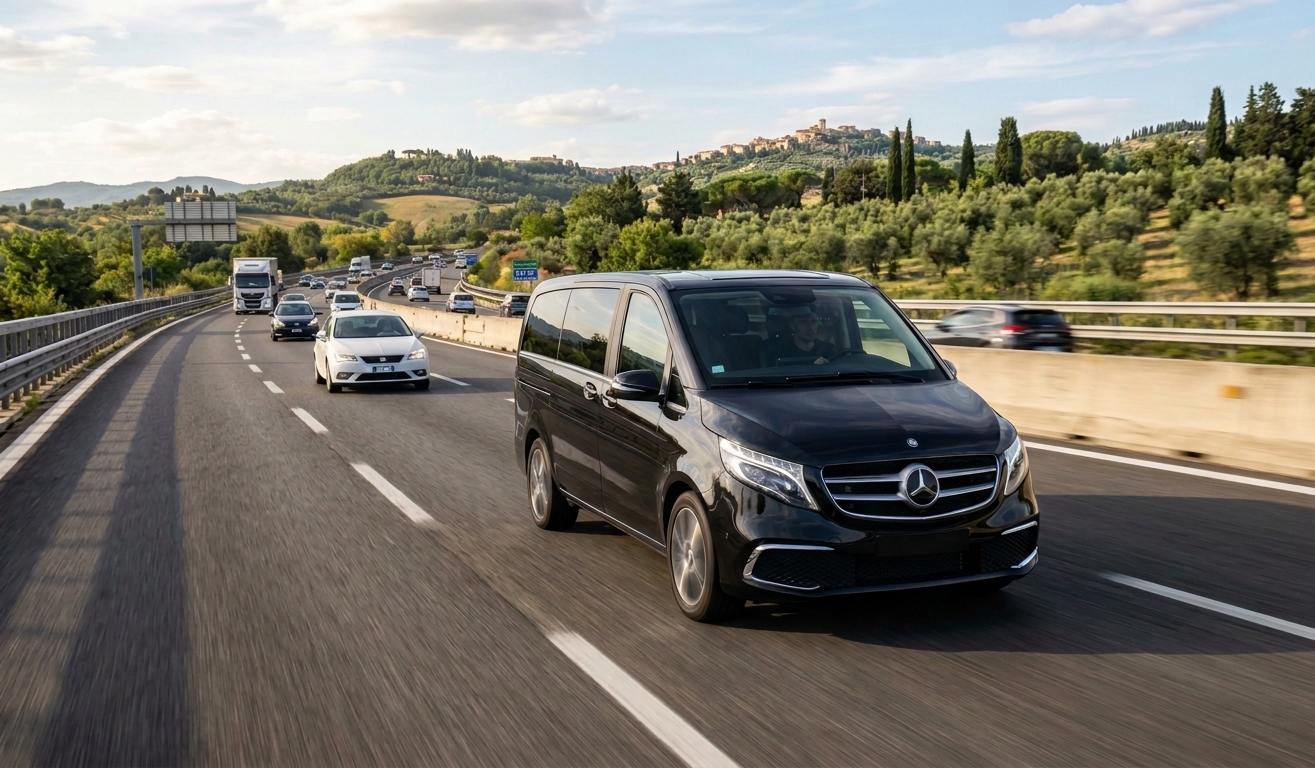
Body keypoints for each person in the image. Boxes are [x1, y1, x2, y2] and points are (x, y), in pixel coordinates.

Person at [766, 305, 837, 366]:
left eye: (813, 321)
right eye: (803, 322)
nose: (810, 327)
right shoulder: (779, 352)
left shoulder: (829, 351)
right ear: (792, 325)